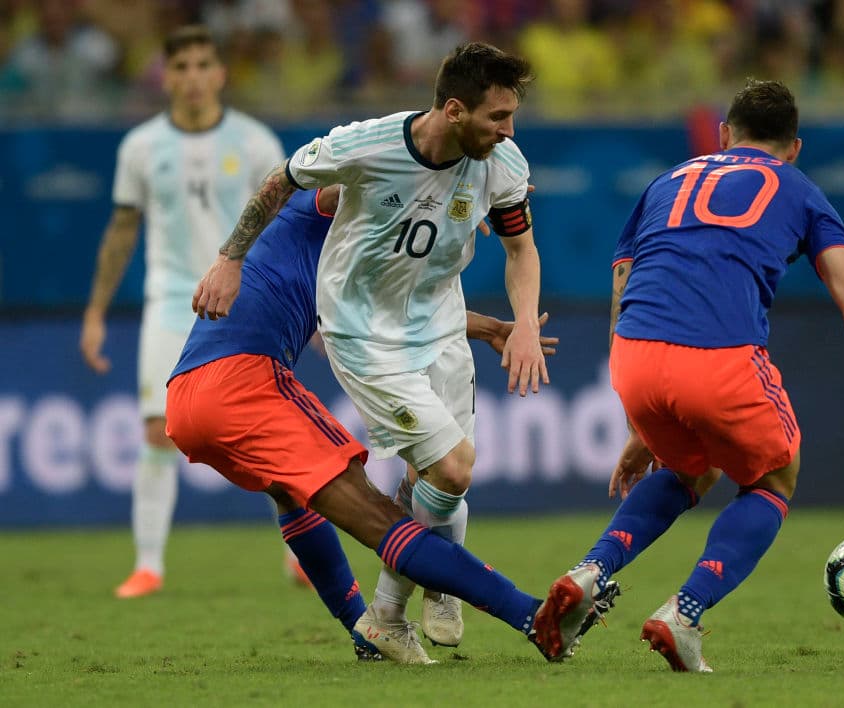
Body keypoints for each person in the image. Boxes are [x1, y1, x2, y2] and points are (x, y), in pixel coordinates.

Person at [532, 79, 844, 671]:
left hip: (634, 354)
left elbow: (622, 285)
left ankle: (590, 571)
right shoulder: (801, 191)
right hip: (720, 357)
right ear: (794, 147)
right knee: (775, 478)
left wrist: (638, 417)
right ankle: (686, 613)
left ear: (724, 135)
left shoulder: (666, 181)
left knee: (692, 470)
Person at [191, 42, 547, 662]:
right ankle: (422, 609)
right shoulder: (364, 150)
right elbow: (292, 183)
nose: (509, 130)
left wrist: (513, 324)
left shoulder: (501, 162)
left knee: (443, 484)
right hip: (362, 338)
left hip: (437, 324)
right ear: (456, 109)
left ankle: (417, 596)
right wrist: (230, 258)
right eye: (498, 117)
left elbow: (519, 248)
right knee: (452, 468)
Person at [167, 184, 615, 664]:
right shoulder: (315, 208)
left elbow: (408, 315)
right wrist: (465, 186)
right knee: (381, 518)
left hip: (188, 393)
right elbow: (366, 182)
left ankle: (366, 633)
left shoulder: (346, 263)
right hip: (244, 380)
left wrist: (491, 329)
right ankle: (532, 617)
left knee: (289, 493)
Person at [79, 25, 287, 599]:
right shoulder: (141, 147)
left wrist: (303, 301)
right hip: (171, 301)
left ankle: (299, 548)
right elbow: (122, 231)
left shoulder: (255, 143)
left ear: (220, 73)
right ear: (166, 77)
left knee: (268, 428)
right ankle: (148, 565)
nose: (193, 78)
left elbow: (284, 228)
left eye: (203, 65)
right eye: (181, 67)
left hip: (247, 300)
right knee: (156, 430)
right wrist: (96, 312)